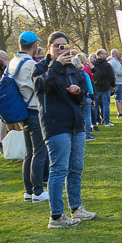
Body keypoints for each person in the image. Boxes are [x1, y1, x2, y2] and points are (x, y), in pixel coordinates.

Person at [32, 32, 96, 228]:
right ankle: (56, 217)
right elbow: (42, 86)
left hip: (76, 124)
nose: (62, 49)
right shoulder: (41, 68)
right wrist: (56, 64)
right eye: (58, 46)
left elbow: (84, 94)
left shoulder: (73, 69)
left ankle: (76, 208)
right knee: (59, 169)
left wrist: (79, 92)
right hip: (55, 124)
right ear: (50, 48)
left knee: (76, 168)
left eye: (65, 46)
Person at [8, 32, 49, 202]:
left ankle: (29, 190)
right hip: (33, 110)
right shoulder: (30, 63)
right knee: (39, 152)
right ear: (34, 46)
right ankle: (38, 191)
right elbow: (39, 86)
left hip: (23, 111)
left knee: (29, 153)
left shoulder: (13, 61)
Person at [91, 50, 114, 127]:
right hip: (105, 86)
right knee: (105, 105)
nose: (106, 55)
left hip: (96, 87)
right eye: (105, 54)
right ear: (100, 54)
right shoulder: (107, 65)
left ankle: (97, 120)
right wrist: (112, 85)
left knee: (96, 105)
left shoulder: (93, 65)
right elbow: (111, 76)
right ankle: (107, 121)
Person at [109, 49, 122, 119]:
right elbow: (118, 72)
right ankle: (120, 113)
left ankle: (121, 112)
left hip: (119, 81)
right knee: (119, 98)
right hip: (118, 81)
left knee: (120, 98)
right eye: (118, 54)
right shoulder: (114, 62)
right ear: (116, 54)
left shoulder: (114, 61)